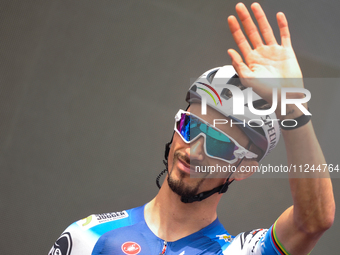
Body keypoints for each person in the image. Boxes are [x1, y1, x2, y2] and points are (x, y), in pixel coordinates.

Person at [48, 2, 335, 255]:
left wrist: (291, 107)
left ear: (244, 168)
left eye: (218, 143)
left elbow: (312, 221)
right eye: (190, 126)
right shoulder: (87, 237)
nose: (193, 150)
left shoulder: (240, 252)